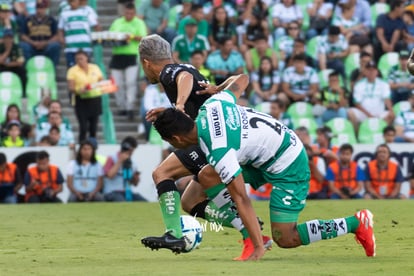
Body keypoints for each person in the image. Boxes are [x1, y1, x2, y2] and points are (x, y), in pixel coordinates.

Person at [152, 85, 376, 258]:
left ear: (177, 139)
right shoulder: (212, 105)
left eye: (169, 142)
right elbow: (242, 80)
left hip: (288, 162)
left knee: (286, 238)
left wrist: (258, 248)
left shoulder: (220, 151)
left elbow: (241, 198)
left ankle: (356, 223)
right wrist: (218, 88)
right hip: (261, 155)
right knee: (206, 177)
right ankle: (250, 233)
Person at [139, 34, 271, 260]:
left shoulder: (169, 72)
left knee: (162, 173)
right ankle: (252, 230)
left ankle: (174, 234)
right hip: (221, 136)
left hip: (208, 138)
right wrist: (170, 109)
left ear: (146, 63)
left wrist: (178, 105)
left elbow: (184, 78)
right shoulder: (181, 67)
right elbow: (188, 78)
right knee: (190, 202)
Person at [109, 2, 147, 121]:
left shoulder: (139, 23)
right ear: (124, 12)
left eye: (131, 13)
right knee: (117, 84)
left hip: (131, 55)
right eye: (127, 13)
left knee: (130, 83)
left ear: (134, 13)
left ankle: (130, 107)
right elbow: (110, 35)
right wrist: (119, 36)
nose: (129, 15)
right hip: (118, 54)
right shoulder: (117, 22)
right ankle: (122, 106)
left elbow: (143, 37)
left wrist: (131, 37)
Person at [67, 49, 104, 142]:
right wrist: (79, 90)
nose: (79, 61)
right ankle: (82, 144)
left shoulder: (95, 67)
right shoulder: (72, 71)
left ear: (86, 58)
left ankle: (93, 145)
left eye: (81, 58)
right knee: (83, 126)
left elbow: (101, 80)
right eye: (77, 59)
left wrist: (99, 85)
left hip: (94, 98)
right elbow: (71, 87)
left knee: (93, 126)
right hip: (81, 100)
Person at [348, 61, 395, 133]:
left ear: (377, 71)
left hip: (379, 113)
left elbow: (387, 99)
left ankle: (382, 135)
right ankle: (357, 135)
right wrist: (368, 115)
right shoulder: (359, 84)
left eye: (373, 70)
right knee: (350, 112)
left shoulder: (383, 84)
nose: (371, 72)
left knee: (391, 114)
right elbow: (357, 103)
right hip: (364, 114)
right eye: (369, 70)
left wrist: (391, 110)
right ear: (365, 71)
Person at [19, 0, 61, 68]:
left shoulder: (51, 20)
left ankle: (52, 69)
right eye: (38, 8)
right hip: (32, 46)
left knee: (55, 46)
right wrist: (32, 42)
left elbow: (56, 35)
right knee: (23, 46)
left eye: (42, 8)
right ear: (35, 9)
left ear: (45, 9)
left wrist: (45, 43)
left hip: (47, 46)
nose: (40, 10)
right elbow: (23, 35)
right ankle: (28, 69)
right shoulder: (28, 19)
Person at [103, 136, 145, 202]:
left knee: (143, 201)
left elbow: (135, 184)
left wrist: (136, 178)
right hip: (112, 192)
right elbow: (109, 175)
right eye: (130, 150)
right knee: (122, 201)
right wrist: (120, 161)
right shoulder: (111, 158)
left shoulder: (132, 163)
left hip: (127, 192)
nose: (131, 153)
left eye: (132, 151)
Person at [58, 0, 98, 68]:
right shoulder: (64, 13)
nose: (73, 3)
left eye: (74, 1)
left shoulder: (87, 11)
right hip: (70, 47)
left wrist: (95, 38)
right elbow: (60, 28)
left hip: (85, 47)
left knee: (85, 68)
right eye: (71, 1)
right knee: (72, 69)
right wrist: (61, 38)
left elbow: (95, 26)